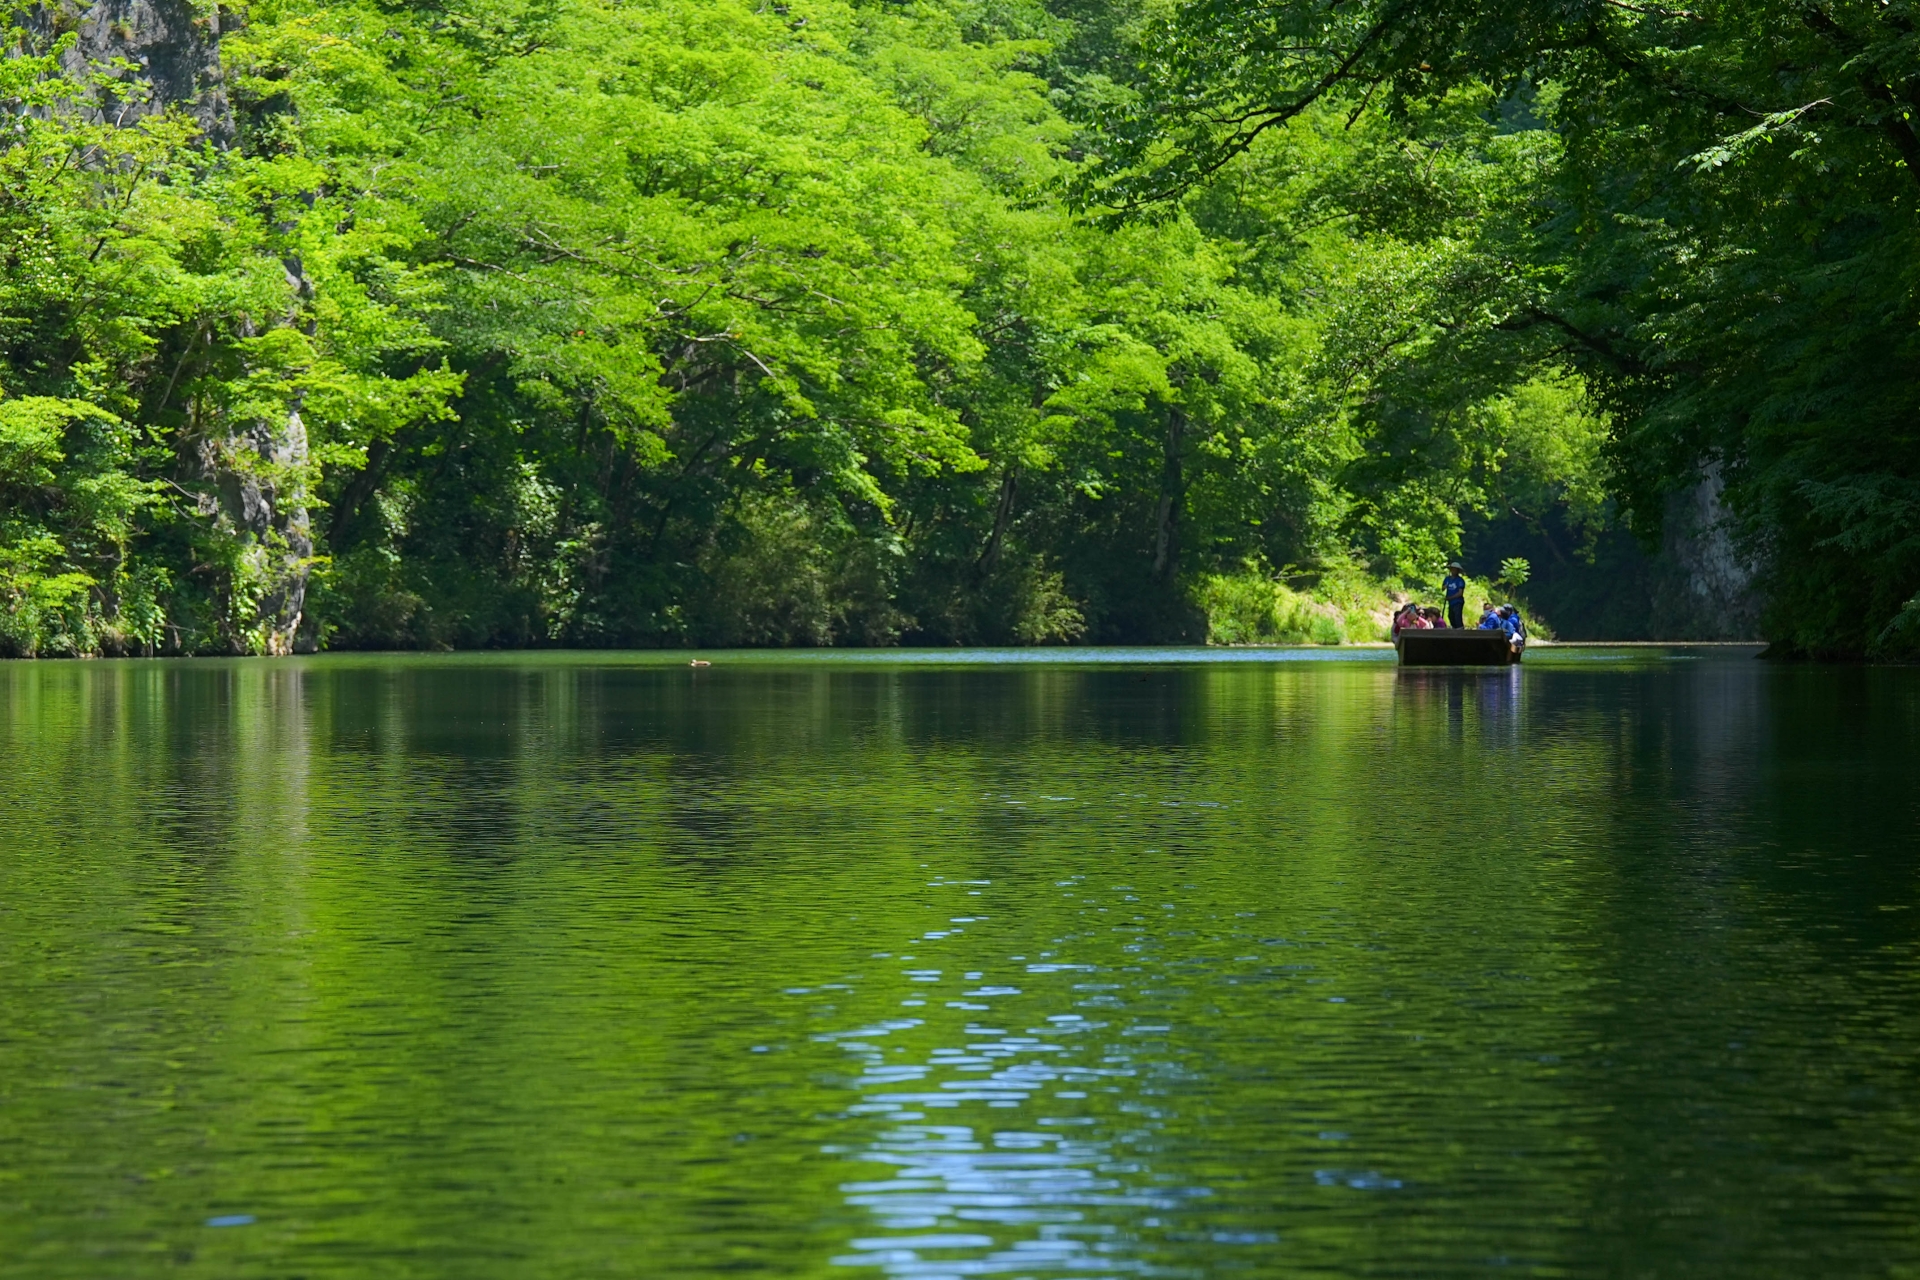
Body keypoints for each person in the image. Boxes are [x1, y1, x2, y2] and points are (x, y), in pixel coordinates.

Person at [1442, 561, 1466, 629]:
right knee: (1451, 616)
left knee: (1457, 616)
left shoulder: (1460, 580)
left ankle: (1460, 629)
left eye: (1455, 569)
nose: (1453, 571)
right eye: (1452, 569)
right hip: (1451, 602)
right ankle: (1454, 629)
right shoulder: (1447, 579)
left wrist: (1450, 597)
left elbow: (1460, 593)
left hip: (1458, 601)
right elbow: (1443, 588)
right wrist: (1445, 586)